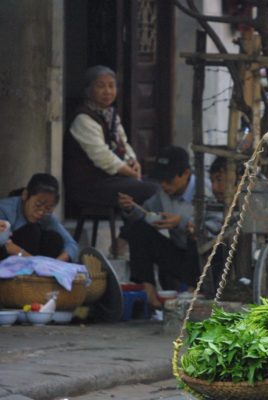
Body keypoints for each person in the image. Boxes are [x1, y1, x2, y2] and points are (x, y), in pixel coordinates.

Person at [63, 65, 157, 209]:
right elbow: (103, 157)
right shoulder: (83, 119)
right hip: (91, 185)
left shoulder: (110, 114)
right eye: (101, 86)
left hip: (111, 179)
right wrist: (130, 173)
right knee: (151, 190)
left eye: (111, 86)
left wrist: (133, 162)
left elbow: (123, 143)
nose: (107, 91)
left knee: (159, 184)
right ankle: (136, 229)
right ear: (88, 90)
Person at [118, 146, 198, 309]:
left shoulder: (206, 190)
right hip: (176, 255)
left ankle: (193, 294)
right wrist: (131, 208)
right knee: (139, 229)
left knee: (194, 238)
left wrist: (181, 222)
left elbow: (216, 225)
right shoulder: (162, 193)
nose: (163, 185)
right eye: (161, 180)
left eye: (169, 180)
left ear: (186, 174)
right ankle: (149, 292)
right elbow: (146, 213)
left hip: (201, 260)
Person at [0, 173, 79, 262]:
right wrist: (33, 260)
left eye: (48, 208)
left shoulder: (47, 218)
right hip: (8, 261)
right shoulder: (4, 209)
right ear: (25, 195)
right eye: (38, 205)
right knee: (32, 231)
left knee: (54, 238)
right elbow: (5, 243)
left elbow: (71, 244)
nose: (41, 212)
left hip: (34, 261)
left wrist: (56, 263)